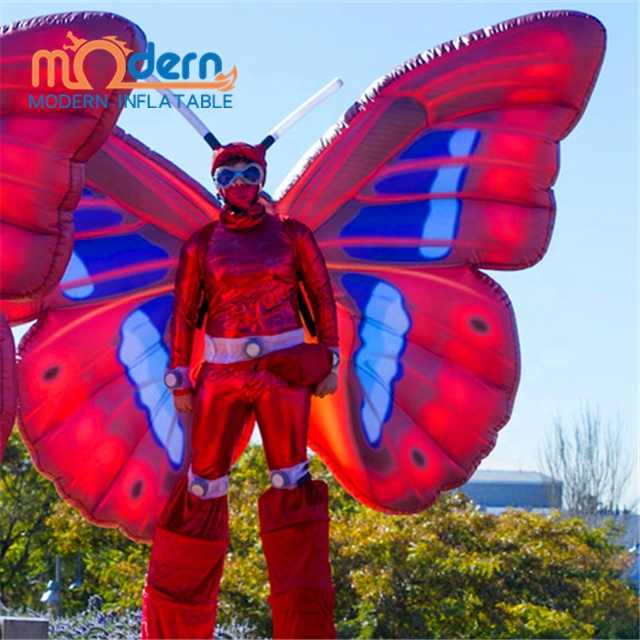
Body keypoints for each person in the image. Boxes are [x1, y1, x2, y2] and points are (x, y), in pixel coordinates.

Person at [140, 141, 340, 640]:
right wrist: (179, 375)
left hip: (284, 370)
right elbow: (185, 312)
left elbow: (321, 295)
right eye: (227, 176)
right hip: (223, 371)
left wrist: (330, 356)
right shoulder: (202, 244)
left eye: (249, 172)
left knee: (291, 482)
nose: (239, 184)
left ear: (263, 175)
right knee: (202, 485)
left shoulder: (293, 235)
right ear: (216, 185)